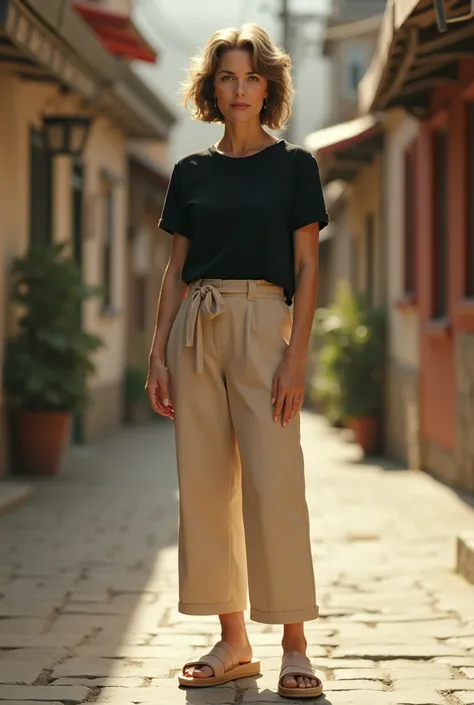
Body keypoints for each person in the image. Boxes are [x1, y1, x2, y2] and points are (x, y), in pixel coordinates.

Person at [145, 22, 328, 699]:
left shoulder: (295, 167)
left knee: (275, 485)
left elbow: (308, 269)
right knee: (203, 485)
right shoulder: (189, 173)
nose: (239, 88)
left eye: (250, 76)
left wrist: (296, 357)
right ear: (212, 88)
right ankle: (233, 639)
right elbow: (174, 271)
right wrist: (158, 355)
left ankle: (294, 642)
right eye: (227, 76)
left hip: (262, 325)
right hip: (197, 327)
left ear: (269, 86)